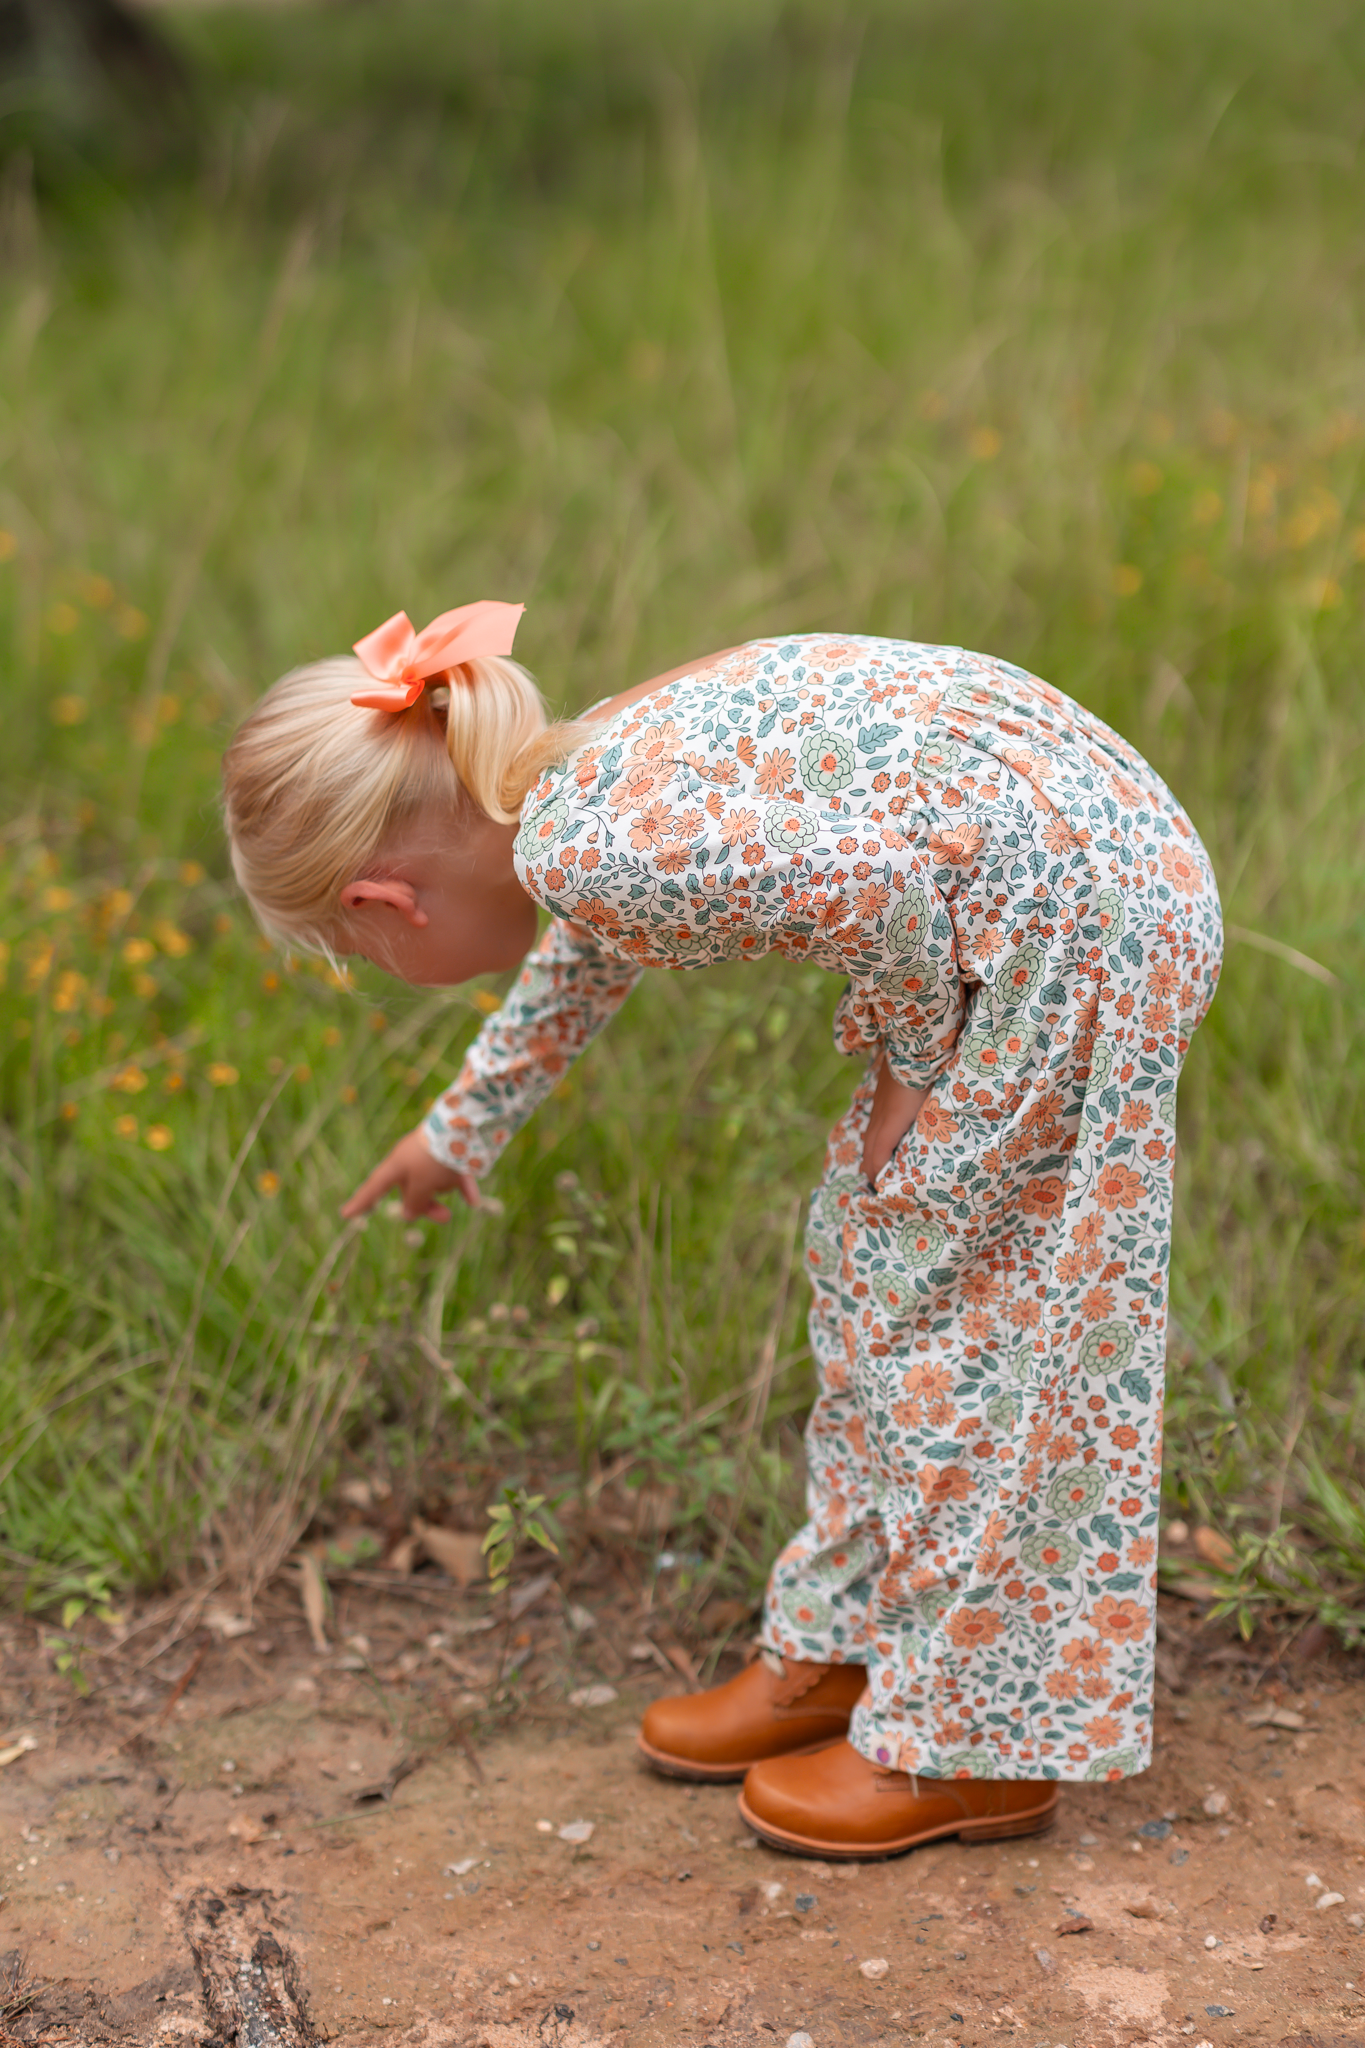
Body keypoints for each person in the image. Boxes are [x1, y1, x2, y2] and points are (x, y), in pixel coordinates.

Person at [222, 599, 1222, 1861]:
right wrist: (463, 1127)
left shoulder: (593, 851)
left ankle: (968, 1742)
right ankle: (846, 1646)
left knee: (959, 1329)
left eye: (358, 952)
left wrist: (916, 1072)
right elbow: (594, 947)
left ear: (390, 901)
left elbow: (880, 890)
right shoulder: (561, 796)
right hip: (1064, 860)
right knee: (874, 1274)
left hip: (1075, 921)